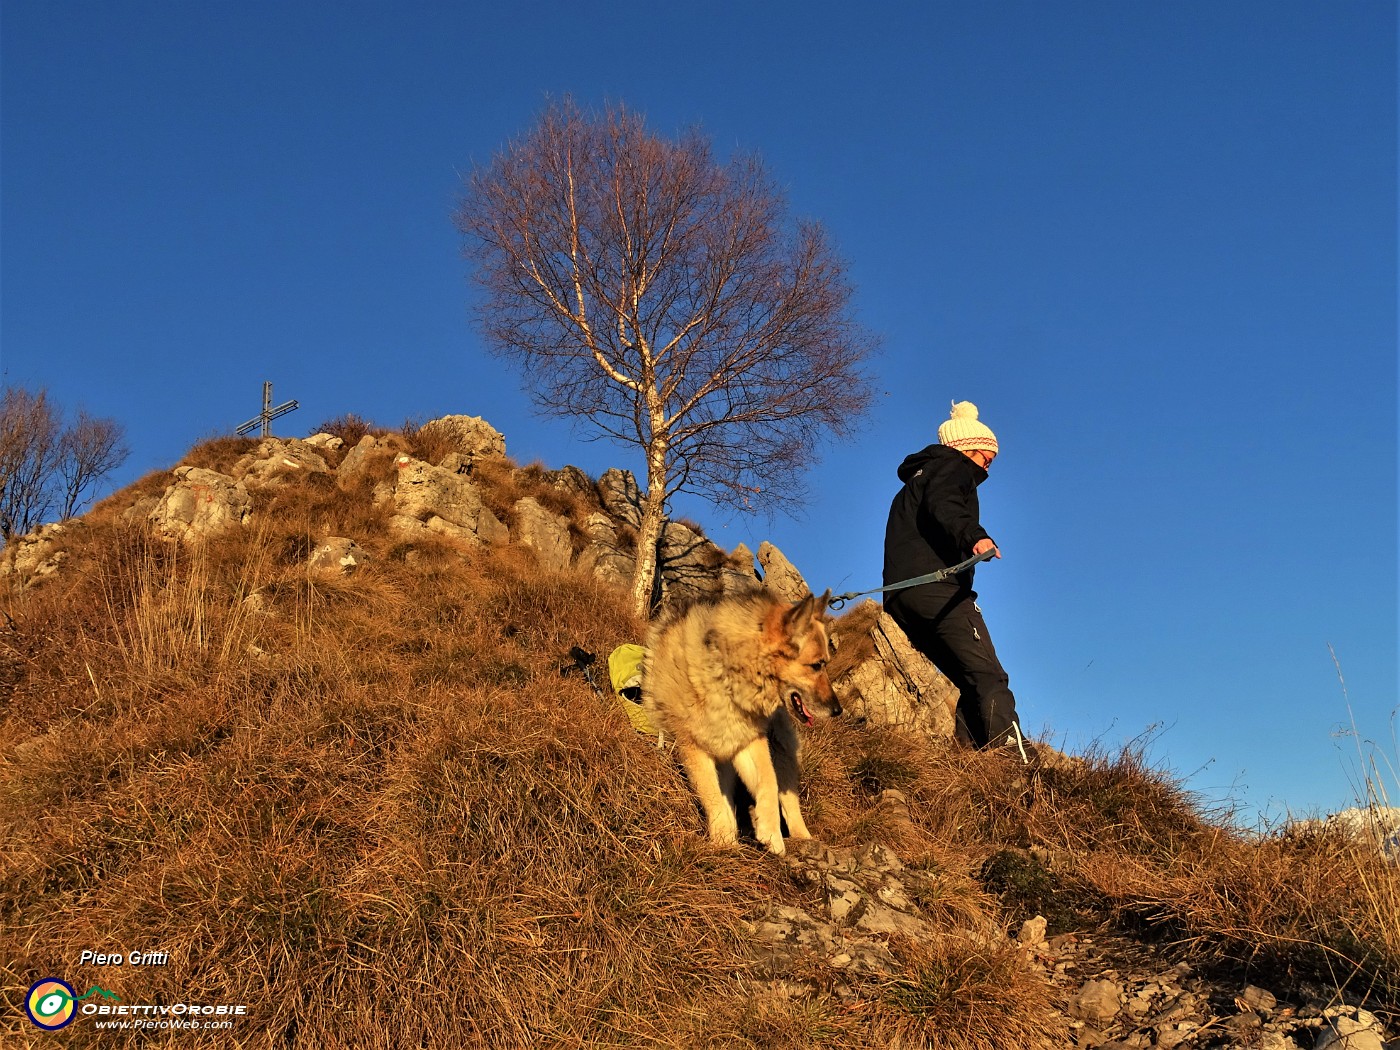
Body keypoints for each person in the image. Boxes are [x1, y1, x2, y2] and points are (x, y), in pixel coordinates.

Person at [882, 401, 1033, 762]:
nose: (989, 464)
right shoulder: (953, 466)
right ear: (968, 447)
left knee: (963, 679)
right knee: (987, 674)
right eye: (987, 455)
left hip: (902, 598)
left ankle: (969, 763)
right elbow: (946, 504)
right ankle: (1013, 759)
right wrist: (974, 536)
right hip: (940, 592)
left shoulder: (913, 485)